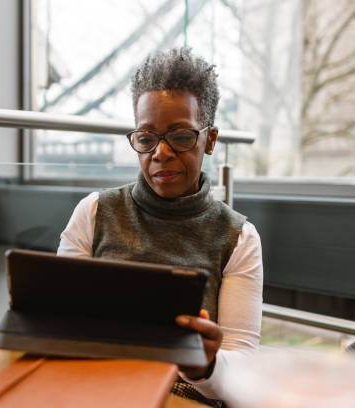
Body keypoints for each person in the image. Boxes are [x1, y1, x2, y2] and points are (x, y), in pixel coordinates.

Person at [57, 47, 263, 405]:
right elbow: (52, 322)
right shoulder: (94, 212)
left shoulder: (237, 238)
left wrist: (204, 365)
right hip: (95, 387)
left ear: (209, 140)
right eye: (146, 137)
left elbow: (242, 371)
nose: (160, 153)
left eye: (181, 136)